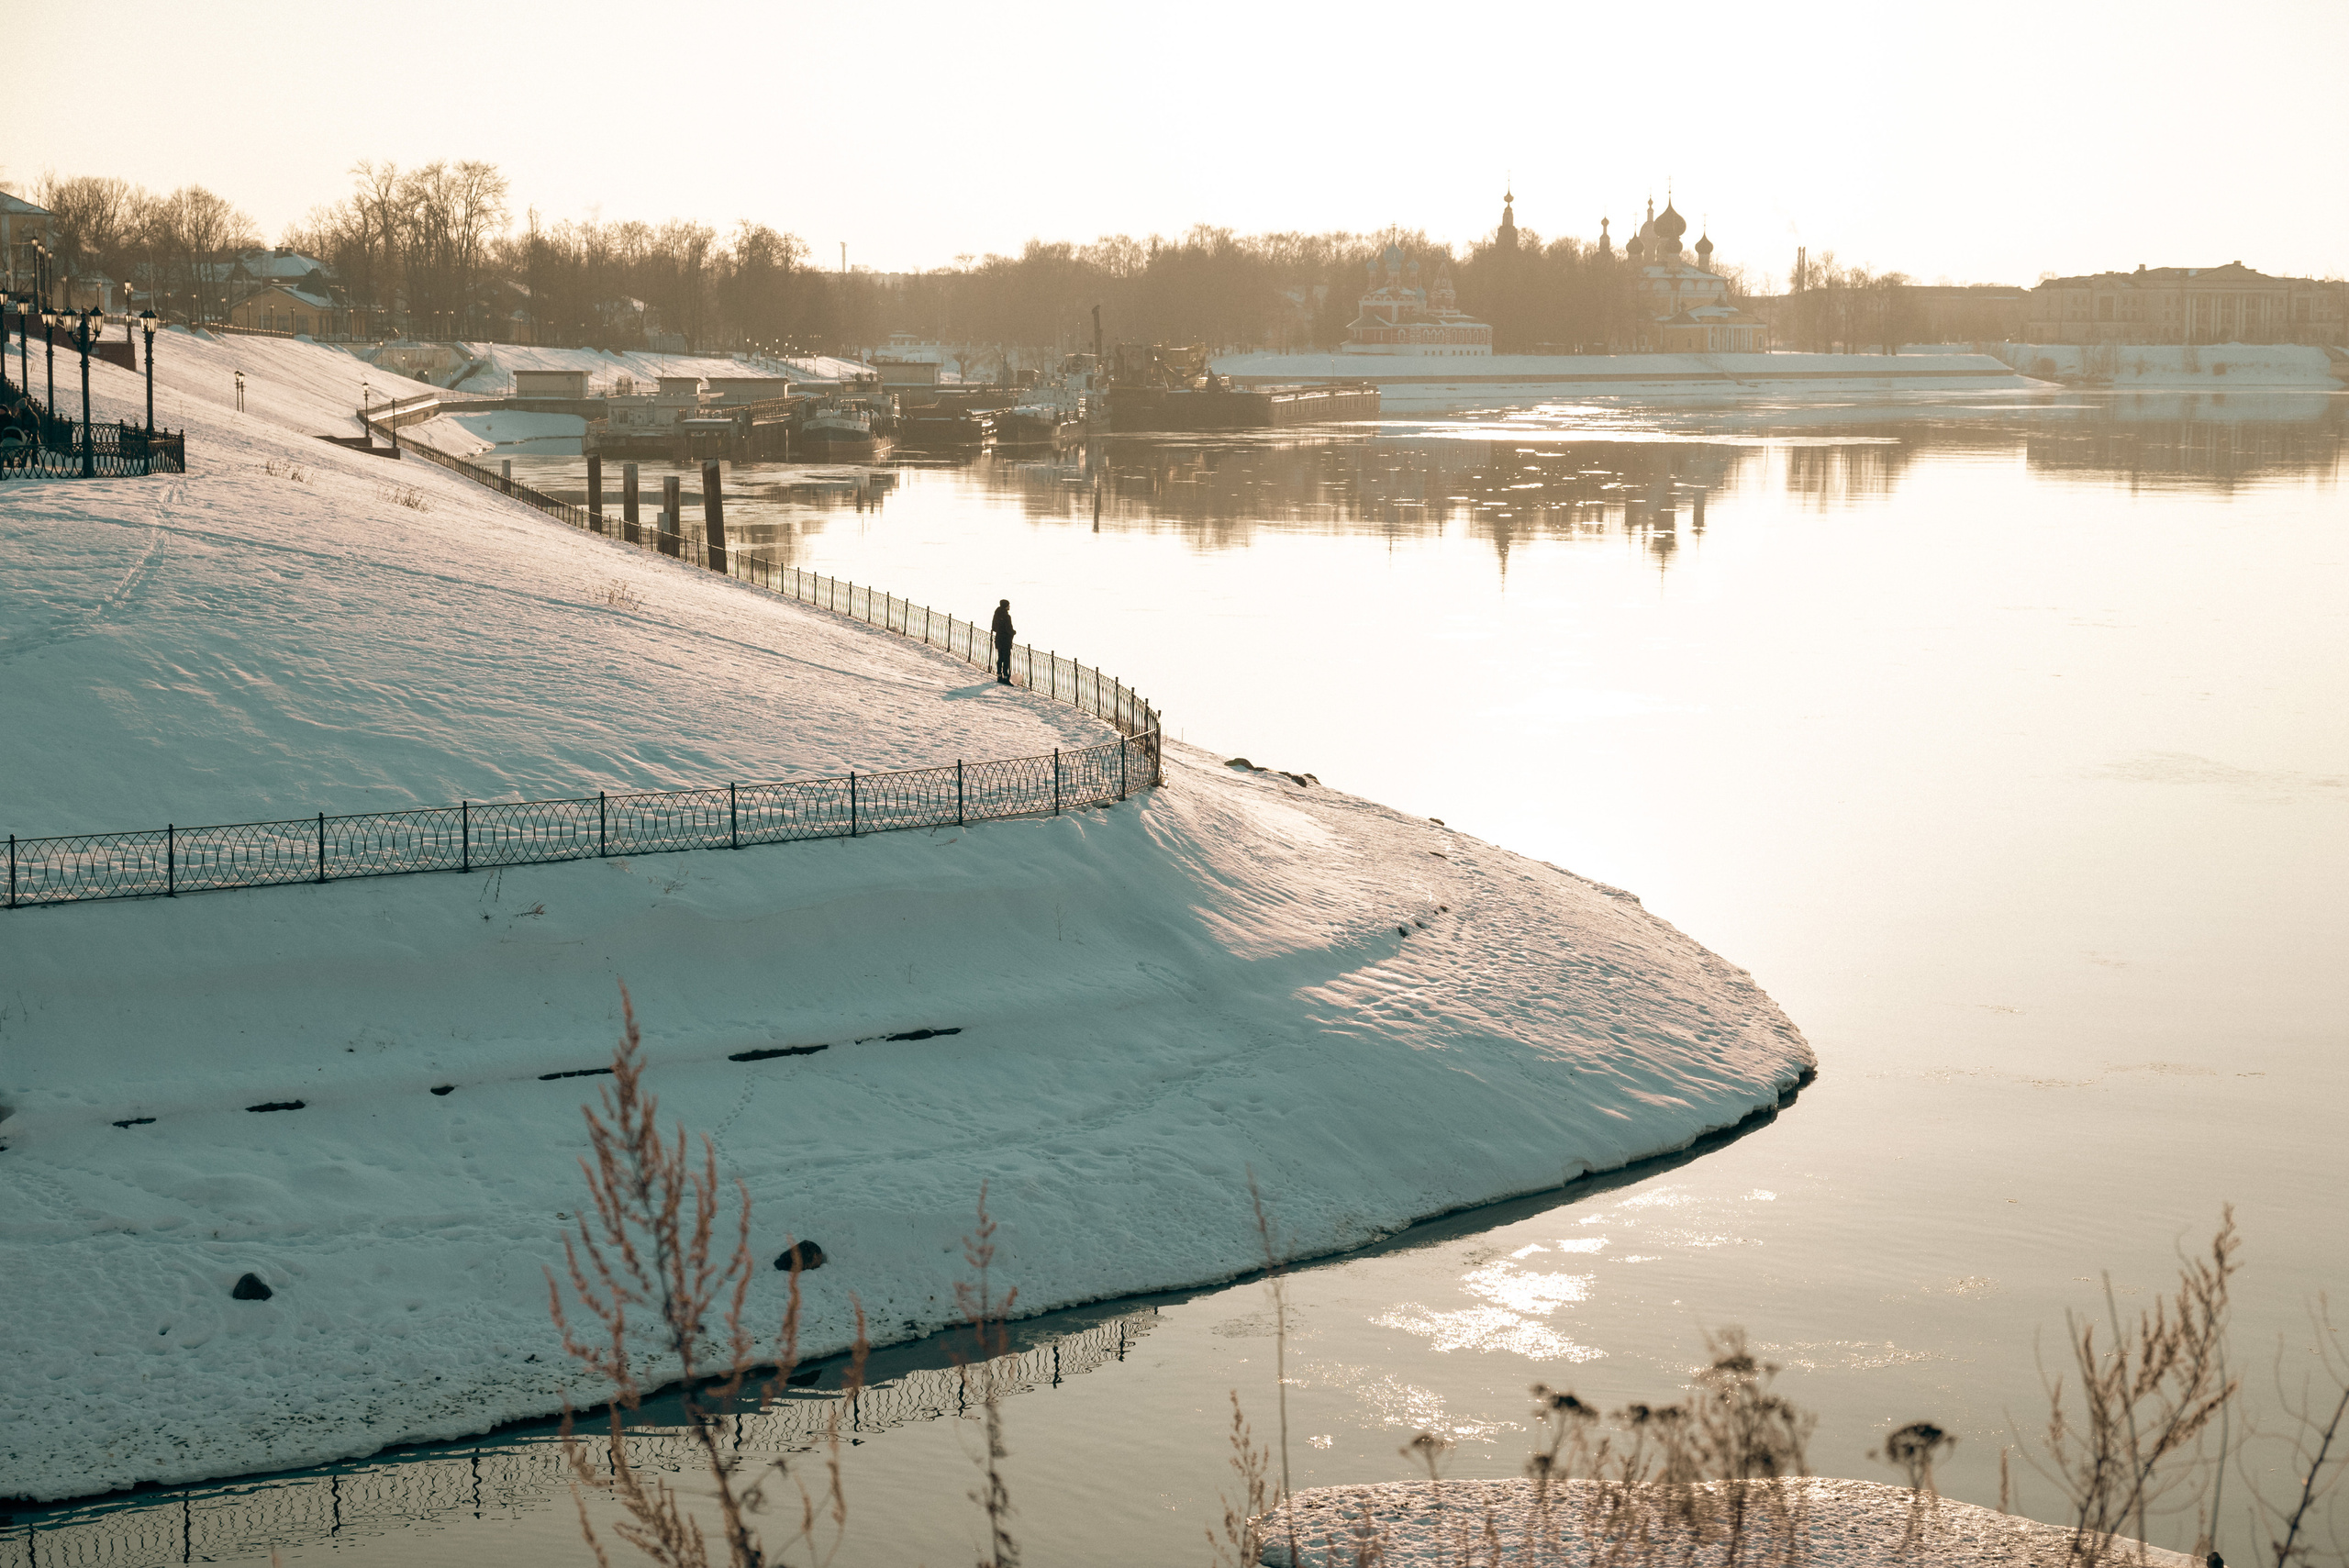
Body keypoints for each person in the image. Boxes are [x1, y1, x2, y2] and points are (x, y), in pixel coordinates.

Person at [991, 598, 1015, 684]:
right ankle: (1006, 677)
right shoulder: (1007, 617)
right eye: (1008, 605)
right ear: (1006, 606)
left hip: (998, 639)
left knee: (1000, 658)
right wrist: (1013, 632)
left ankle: (999, 675)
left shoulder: (997, 614)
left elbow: (993, 627)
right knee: (1006, 659)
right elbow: (1009, 629)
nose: (1009, 606)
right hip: (1006, 640)